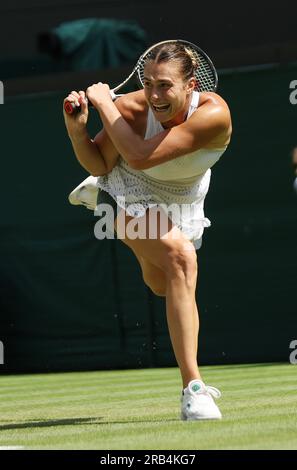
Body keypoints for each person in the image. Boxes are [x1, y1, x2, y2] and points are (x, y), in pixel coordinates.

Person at [63, 42, 232, 421]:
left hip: (183, 201)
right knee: (181, 258)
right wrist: (78, 134)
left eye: (166, 86)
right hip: (127, 193)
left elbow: (140, 155)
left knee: (162, 283)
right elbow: (103, 161)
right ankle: (194, 389)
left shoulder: (214, 114)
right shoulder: (132, 109)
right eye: (149, 83)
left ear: (191, 85)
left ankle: (146, 248)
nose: (154, 95)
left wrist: (105, 105)